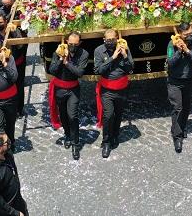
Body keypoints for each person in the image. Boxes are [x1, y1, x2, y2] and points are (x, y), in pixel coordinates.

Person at [47, 32, 88, 160]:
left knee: (72, 115)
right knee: (63, 114)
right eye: (70, 44)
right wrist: (60, 59)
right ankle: (67, 134)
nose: (73, 46)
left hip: (73, 89)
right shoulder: (58, 51)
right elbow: (52, 71)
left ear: (79, 43)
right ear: (66, 42)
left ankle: (76, 143)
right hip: (60, 89)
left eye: (75, 44)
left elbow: (79, 72)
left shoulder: (84, 54)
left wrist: (66, 63)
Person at [94, 29, 132, 158]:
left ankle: (115, 135)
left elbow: (130, 68)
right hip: (107, 89)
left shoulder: (124, 48)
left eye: (112, 39)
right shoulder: (99, 50)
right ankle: (106, 142)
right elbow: (98, 70)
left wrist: (125, 55)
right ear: (104, 39)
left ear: (117, 38)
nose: (110, 42)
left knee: (118, 113)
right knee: (108, 115)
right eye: (107, 40)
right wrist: (113, 57)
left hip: (122, 88)